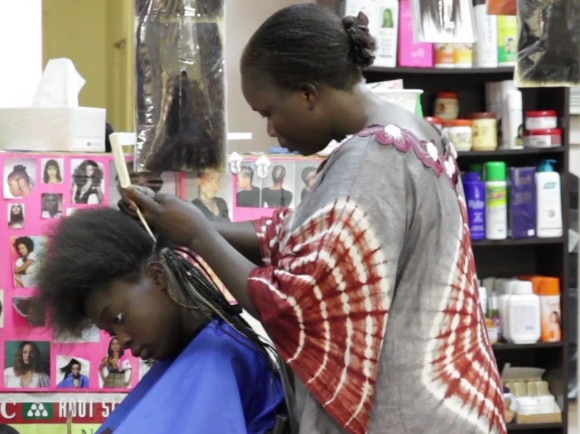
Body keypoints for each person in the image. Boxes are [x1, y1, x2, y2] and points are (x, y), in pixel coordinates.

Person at [120, 5, 506, 434]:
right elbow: (298, 236)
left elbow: (295, 306)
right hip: (455, 395)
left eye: (268, 112)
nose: (269, 129)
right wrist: (183, 219)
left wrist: (198, 236)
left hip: (414, 409)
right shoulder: (413, 132)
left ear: (307, 93)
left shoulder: (372, 159)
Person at [34, 208, 288, 434]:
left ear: (157, 277)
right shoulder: (199, 352)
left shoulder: (221, 357)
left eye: (118, 318)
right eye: (111, 333)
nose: (122, 342)